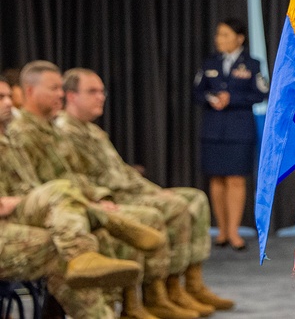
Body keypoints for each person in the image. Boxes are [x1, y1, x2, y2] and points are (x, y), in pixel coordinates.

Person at [7, 60, 188, 319]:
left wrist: (97, 197)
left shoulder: (50, 130)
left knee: (93, 224)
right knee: (83, 236)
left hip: (61, 206)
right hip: (44, 212)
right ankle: (113, 305)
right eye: (54, 88)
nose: (61, 94)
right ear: (30, 91)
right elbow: (39, 187)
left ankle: (131, 303)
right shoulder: (22, 132)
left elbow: (77, 177)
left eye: (61, 88)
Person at [57, 68, 234, 313]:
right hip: (112, 199)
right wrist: (100, 199)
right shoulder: (65, 131)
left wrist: (156, 191)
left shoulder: (92, 130)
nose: (101, 97)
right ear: (71, 96)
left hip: (130, 192)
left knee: (195, 197)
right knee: (174, 208)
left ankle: (187, 285)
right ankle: (155, 294)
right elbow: (72, 177)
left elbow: (124, 172)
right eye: (92, 91)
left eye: (101, 91)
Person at [192, 18, 267, 251]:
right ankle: (222, 230)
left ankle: (234, 231)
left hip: (239, 129)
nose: (219, 39)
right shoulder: (210, 63)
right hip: (213, 130)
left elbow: (261, 93)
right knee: (216, 178)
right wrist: (210, 98)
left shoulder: (252, 64)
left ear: (240, 38)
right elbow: (196, 92)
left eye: (225, 34)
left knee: (235, 178)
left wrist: (232, 99)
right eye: (218, 35)